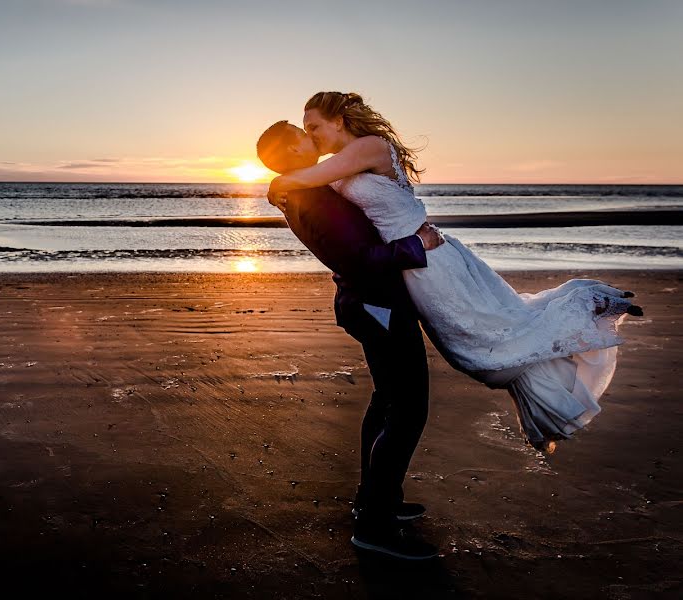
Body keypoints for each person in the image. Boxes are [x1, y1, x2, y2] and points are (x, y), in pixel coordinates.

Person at [263, 91, 642, 459]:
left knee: (485, 332)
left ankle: (589, 302)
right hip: (412, 261)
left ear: (339, 120)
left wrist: (278, 183)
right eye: (305, 131)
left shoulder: (367, 148)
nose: (311, 135)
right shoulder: (340, 163)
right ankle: (381, 498)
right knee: (472, 339)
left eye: (313, 127)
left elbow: (306, 178)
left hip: (428, 259)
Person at [256, 124, 445, 559]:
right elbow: (361, 261)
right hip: (376, 306)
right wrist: (418, 243)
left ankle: (377, 501)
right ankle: (375, 527)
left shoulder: (306, 190)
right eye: (303, 135)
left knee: (387, 402)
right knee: (408, 409)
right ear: (293, 149)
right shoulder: (313, 199)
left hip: (371, 304)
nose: (312, 137)